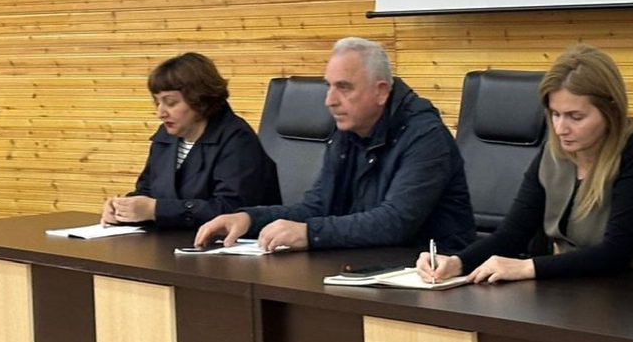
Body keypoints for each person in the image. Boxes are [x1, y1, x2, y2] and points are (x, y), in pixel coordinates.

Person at [419, 45, 633, 284]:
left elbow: (616, 252)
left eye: (575, 117)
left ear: (610, 111)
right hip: (577, 288)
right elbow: (513, 233)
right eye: (554, 114)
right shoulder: (554, 151)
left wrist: (527, 268)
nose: (560, 128)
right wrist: (457, 263)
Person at [196, 38, 473, 252]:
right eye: (329, 86)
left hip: (429, 273)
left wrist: (309, 233)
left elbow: (395, 223)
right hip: (366, 264)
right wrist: (248, 219)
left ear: (381, 91)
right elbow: (317, 207)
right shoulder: (348, 131)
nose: (330, 100)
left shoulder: (425, 135)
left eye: (344, 87)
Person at [101, 52, 280, 230]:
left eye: (170, 103)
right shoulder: (166, 135)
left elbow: (231, 210)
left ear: (199, 100)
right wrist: (124, 209)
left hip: (228, 247)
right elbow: (147, 190)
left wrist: (156, 210)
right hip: (172, 241)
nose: (160, 113)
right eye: (157, 103)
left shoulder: (238, 140)